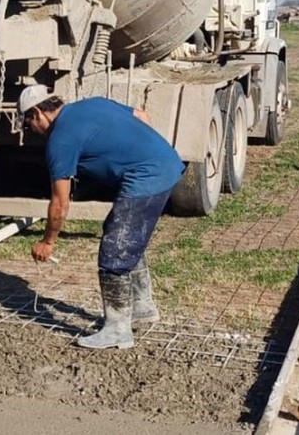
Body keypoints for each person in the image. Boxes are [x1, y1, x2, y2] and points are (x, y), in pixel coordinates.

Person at [21, 84, 184, 349]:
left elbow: (60, 203)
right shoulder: (92, 103)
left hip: (147, 176)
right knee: (122, 234)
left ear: (38, 113)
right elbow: (141, 115)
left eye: (28, 125)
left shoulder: (60, 140)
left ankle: (118, 330)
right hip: (165, 160)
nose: (31, 133)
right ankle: (142, 309)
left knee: (114, 253)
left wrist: (48, 241)